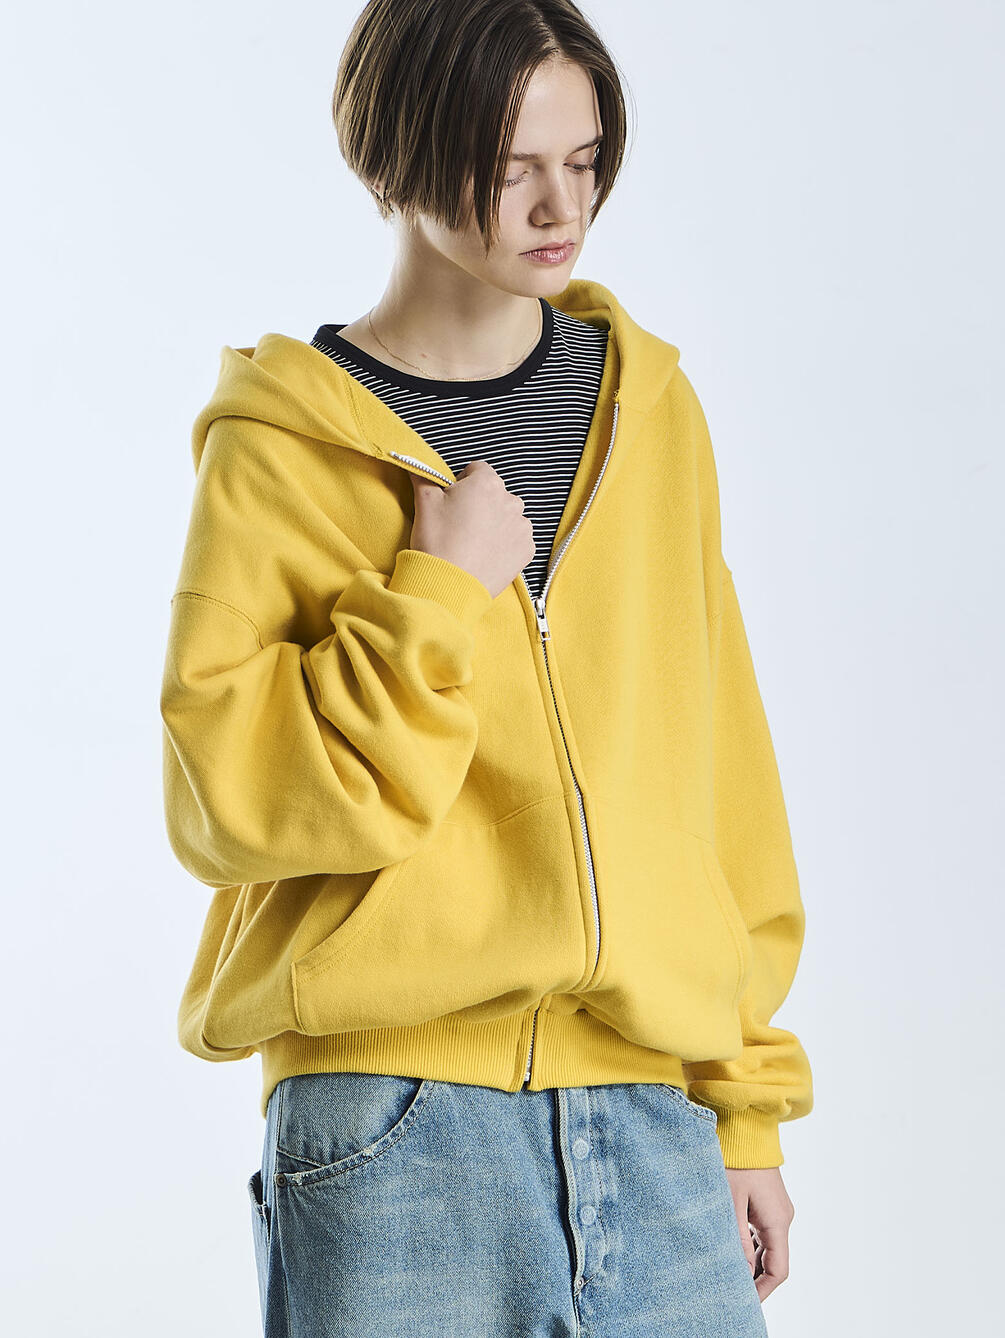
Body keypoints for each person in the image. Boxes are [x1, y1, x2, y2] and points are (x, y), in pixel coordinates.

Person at [159, 1, 814, 1334]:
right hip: (393, 1128)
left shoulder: (651, 416)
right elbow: (225, 804)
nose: (558, 207)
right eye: (512, 168)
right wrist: (436, 598)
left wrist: (743, 1102)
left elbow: (717, 766)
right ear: (399, 156)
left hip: (652, 1112)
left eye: (583, 162)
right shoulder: (280, 450)